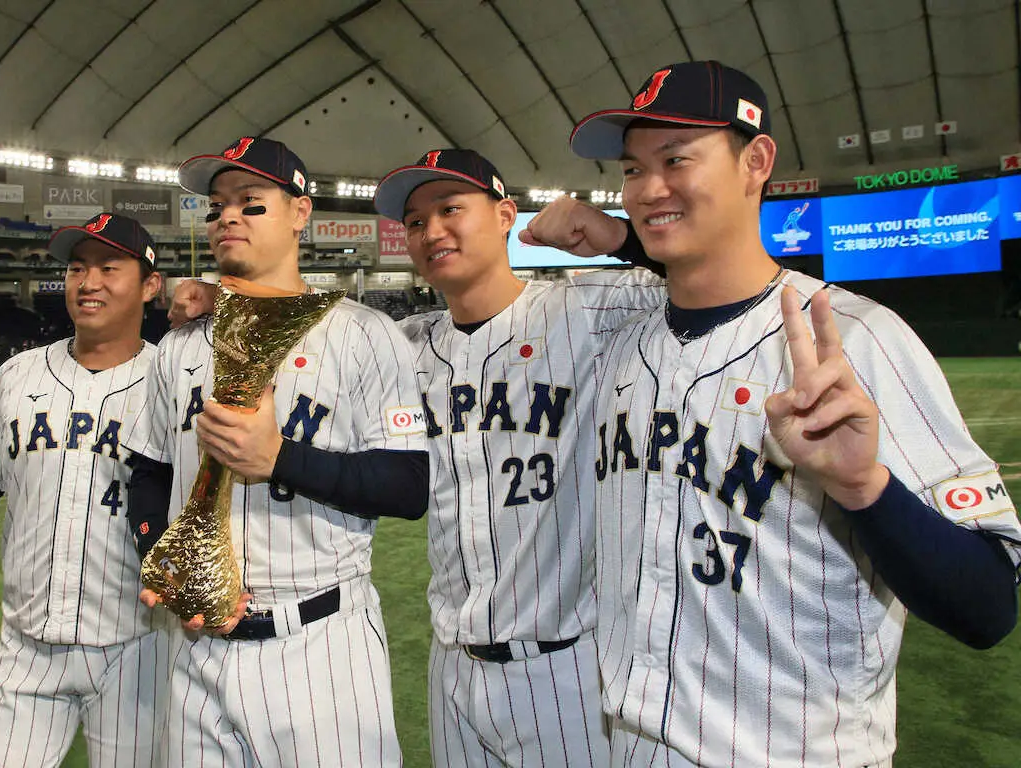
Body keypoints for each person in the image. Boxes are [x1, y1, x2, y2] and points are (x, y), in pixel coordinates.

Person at [535, 59, 1021, 766]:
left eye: (676, 159)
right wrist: (616, 238)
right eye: (633, 170)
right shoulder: (629, 340)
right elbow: (672, 267)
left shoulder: (857, 338)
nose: (648, 188)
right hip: (629, 745)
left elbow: (987, 607)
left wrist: (866, 491)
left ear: (755, 161)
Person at [124, 136, 430, 767]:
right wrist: (161, 551)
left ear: (300, 212)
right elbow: (148, 469)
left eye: (250, 202)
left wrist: (280, 460)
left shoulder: (365, 335)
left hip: (320, 647)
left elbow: (407, 486)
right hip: (197, 651)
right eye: (215, 208)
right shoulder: (180, 346)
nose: (226, 217)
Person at [371, 149, 663, 766]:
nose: (431, 231)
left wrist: (620, 235)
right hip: (450, 666)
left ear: (505, 215)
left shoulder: (590, 309)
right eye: (416, 221)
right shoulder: (405, 346)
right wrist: (218, 304)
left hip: (566, 668)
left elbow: (712, 273)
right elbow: (313, 339)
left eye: (451, 209)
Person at [0, 213, 166, 766]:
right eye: (76, 268)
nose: (88, 283)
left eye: (109, 267)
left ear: (150, 284)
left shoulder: (174, 379)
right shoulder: (17, 375)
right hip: (26, 647)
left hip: (139, 646)